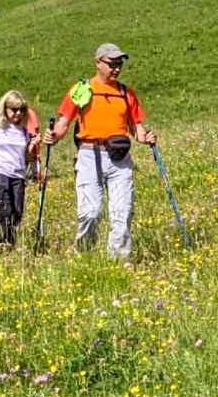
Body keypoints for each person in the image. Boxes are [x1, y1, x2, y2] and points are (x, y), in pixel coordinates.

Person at [47, 43, 157, 259]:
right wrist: (53, 136)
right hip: (89, 154)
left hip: (120, 157)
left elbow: (137, 128)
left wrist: (147, 138)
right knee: (91, 213)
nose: (116, 68)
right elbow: (63, 122)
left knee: (122, 212)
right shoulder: (82, 89)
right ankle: (84, 256)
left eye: (119, 64)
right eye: (112, 64)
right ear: (98, 62)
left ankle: (119, 260)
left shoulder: (126, 93)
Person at [0, 90, 39, 247]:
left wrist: (33, 145)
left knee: (17, 212)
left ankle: (8, 242)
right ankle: (1, 244)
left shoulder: (23, 131)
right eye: (14, 109)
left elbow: (27, 157)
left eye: (22, 110)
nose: (18, 113)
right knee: (3, 210)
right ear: (4, 108)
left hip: (18, 176)